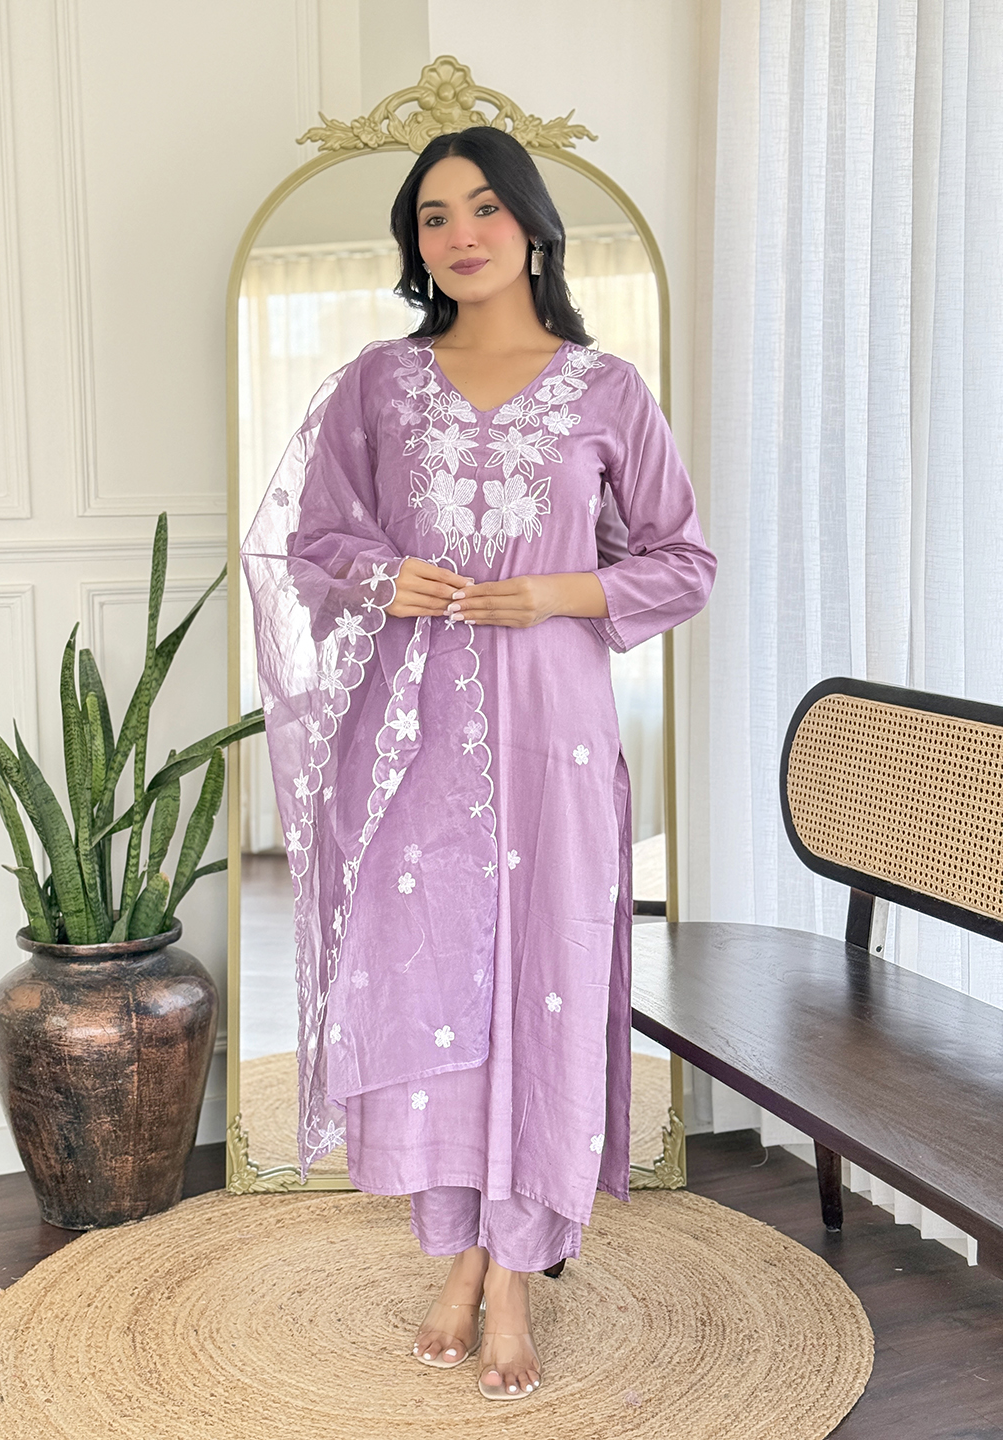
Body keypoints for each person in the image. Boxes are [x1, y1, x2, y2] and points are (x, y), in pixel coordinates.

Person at [241, 125, 716, 1402]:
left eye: (485, 207)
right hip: (412, 737)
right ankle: (456, 1248)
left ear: (533, 224)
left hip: (554, 731)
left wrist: (556, 589)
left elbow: (683, 562)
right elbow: (312, 540)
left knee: (542, 981)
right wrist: (385, 575)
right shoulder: (378, 385)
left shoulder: (606, 391)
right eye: (434, 215)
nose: (460, 234)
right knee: (436, 986)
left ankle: (512, 1275)